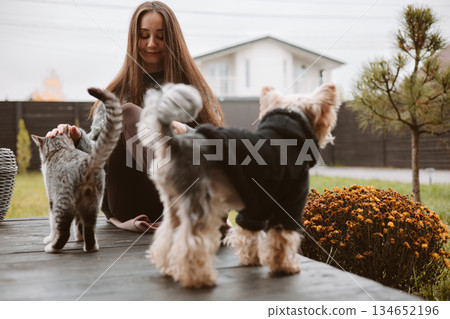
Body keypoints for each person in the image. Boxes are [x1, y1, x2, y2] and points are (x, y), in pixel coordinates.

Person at [46, 1, 224, 232]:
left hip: (188, 188)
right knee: (129, 112)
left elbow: (219, 146)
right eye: (144, 35)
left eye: (160, 36)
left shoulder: (194, 90)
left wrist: (183, 132)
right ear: (133, 39)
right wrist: (77, 138)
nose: (151, 43)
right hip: (131, 198)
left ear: (173, 40)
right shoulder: (117, 94)